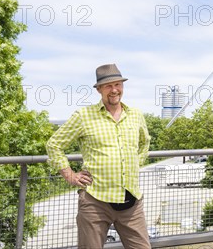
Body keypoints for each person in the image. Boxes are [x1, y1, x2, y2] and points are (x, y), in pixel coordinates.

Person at [46, 63, 152, 249]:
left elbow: (145, 142)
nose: (114, 90)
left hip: (132, 202)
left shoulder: (135, 115)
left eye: (118, 84)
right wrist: (69, 174)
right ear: (99, 89)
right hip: (96, 202)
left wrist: (135, 163)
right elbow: (54, 144)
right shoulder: (84, 116)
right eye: (108, 86)